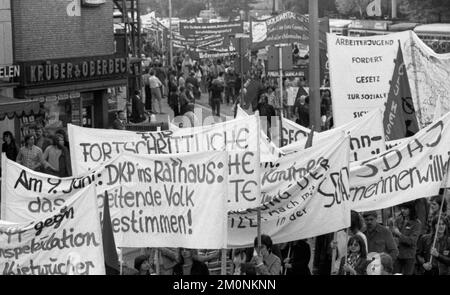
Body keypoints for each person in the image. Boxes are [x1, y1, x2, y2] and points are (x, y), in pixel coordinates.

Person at [390, 201, 421, 275]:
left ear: (411, 209)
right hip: (397, 255)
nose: (402, 210)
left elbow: (412, 241)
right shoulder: (398, 219)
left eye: (405, 208)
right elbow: (392, 236)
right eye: (402, 208)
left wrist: (399, 234)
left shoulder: (417, 223)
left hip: (409, 257)